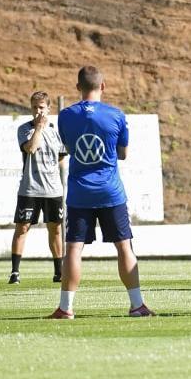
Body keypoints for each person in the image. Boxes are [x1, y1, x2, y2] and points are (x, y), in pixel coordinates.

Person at [49, 66, 154, 319]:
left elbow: (69, 146)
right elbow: (123, 154)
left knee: (74, 248)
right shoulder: (116, 115)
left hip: (79, 192)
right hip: (110, 191)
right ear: (103, 86)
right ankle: (137, 305)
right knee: (124, 246)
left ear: (78, 87)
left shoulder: (65, 115)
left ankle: (66, 308)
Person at [9, 91, 67, 284]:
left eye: (41, 107)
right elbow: (31, 148)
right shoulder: (24, 129)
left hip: (53, 190)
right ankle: (15, 272)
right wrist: (39, 129)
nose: (37, 111)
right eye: (34, 107)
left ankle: (59, 271)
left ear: (49, 109)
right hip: (30, 189)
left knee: (55, 229)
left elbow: (60, 157)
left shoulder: (56, 132)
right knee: (22, 228)